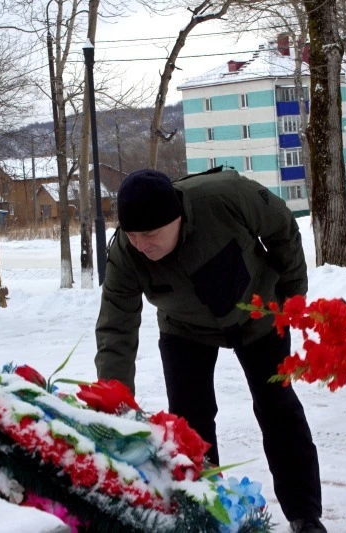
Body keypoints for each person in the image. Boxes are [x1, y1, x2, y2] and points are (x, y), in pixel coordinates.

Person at [95, 168, 326, 533]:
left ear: (177, 217)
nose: (141, 244)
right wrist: (113, 402)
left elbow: (282, 227)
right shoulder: (126, 252)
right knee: (190, 422)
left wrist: (292, 299)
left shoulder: (223, 198)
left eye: (150, 234)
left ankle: (305, 515)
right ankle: (207, 514)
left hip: (259, 314)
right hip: (185, 329)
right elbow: (116, 328)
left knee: (277, 408)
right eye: (132, 234)